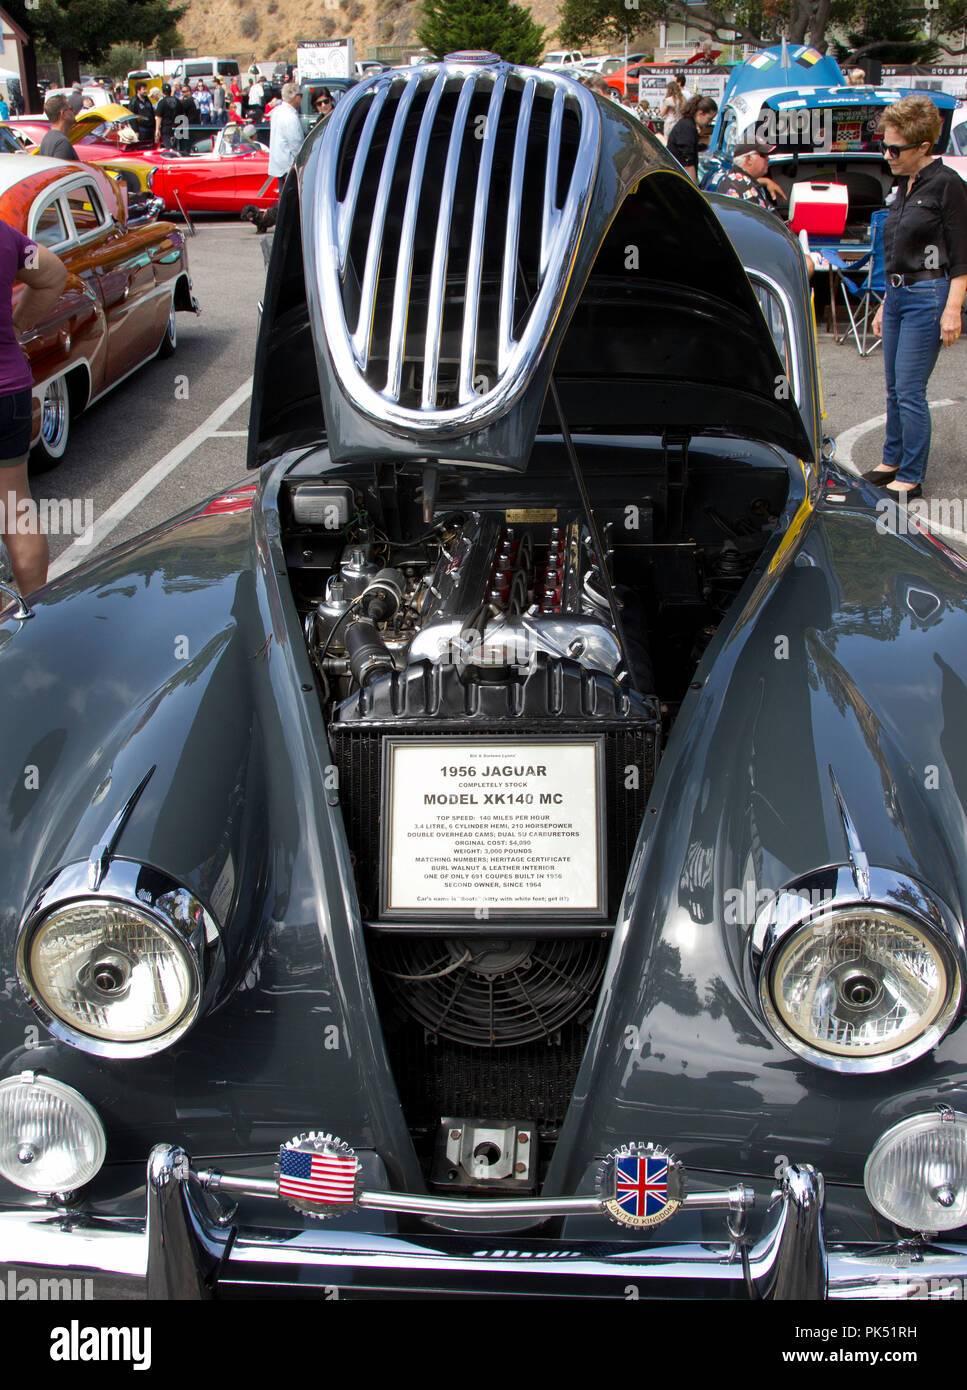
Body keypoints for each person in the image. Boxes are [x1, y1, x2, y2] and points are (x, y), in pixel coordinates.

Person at [865, 96, 967, 501]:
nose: (887, 155)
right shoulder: (901, 185)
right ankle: (891, 460)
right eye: (884, 146)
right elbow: (896, 251)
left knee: (909, 389)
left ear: (924, 147)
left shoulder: (948, 185)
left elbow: (961, 255)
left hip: (930, 295)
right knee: (893, 387)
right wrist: (885, 302)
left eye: (895, 149)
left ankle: (910, 475)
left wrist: (953, 309)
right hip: (899, 293)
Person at [0, 226, 66, 594]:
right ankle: (33, 613)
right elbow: (53, 273)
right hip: (9, 389)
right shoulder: (4, 237)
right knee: (15, 507)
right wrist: (17, 326)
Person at [242, 81, 303, 234]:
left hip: (279, 161)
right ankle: (287, 227)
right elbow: (296, 142)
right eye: (300, 96)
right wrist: (301, 160)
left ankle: (283, 225)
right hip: (289, 163)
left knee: (284, 198)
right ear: (296, 97)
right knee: (290, 199)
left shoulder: (277, 112)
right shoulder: (290, 116)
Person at [716, 140, 787, 212]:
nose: (768, 158)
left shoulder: (733, 176)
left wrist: (766, 181)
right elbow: (760, 221)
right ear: (749, 159)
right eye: (763, 155)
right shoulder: (745, 189)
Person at [666, 94, 717, 182]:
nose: (709, 123)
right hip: (677, 178)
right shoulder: (687, 127)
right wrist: (695, 187)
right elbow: (688, 163)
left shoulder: (686, 124)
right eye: (709, 119)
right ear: (701, 113)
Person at [39, 95, 78, 160]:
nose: (73, 111)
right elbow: (61, 169)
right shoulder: (62, 142)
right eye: (71, 108)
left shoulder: (47, 138)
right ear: (63, 114)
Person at [154, 83, 179, 149]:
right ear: (170, 91)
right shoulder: (177, 101)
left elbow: (159, 117)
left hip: (166, 128)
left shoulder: (162, 102)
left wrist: (157, 130)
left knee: (168, 148)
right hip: (177, 127)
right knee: (176, 147)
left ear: (162, 92)